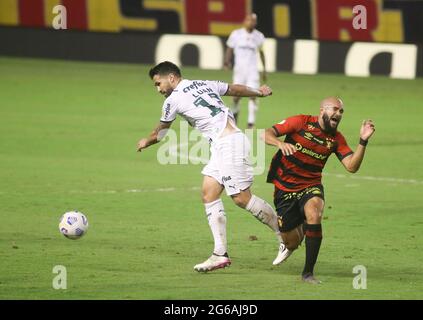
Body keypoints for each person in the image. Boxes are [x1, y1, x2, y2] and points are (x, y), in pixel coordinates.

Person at [137, 61, 288, 272]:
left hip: (229, 144)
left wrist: (146, 141)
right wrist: (258, 92)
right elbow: (234, 88)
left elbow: (160, 132)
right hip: (223, 144)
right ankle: (220, 254)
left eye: (158, 83)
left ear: (171, 77)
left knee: (242, 198)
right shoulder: (203, 83)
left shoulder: (172, 100)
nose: (158, 89)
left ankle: (286, 234)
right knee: (209, 193)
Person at [263, 97, 375, 284]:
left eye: (341, 112)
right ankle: (293, 234)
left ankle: (308, 273)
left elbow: (351, 166)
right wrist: (280, 143)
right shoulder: (300, 122)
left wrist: (363, 141)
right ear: (322, 109)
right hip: (284, 187)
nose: (338, 114)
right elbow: (265, 133)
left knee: (314, 214)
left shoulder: (336, 139)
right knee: (291, 241)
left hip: (311, 185)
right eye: (335, 109)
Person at [224, 13, 267, 129]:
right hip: (239, 71)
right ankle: (235, 117)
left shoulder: (259, 36)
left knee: (254, 94)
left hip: (252, 71)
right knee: (236, 96)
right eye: (249, 20)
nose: (251, 22)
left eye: (253, 21)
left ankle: (251, 123)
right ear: (244, 21)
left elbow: (262, 53)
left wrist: (264, 70)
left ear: (256, 23)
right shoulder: (236, 34)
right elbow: (229, 48)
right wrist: (226, 62)